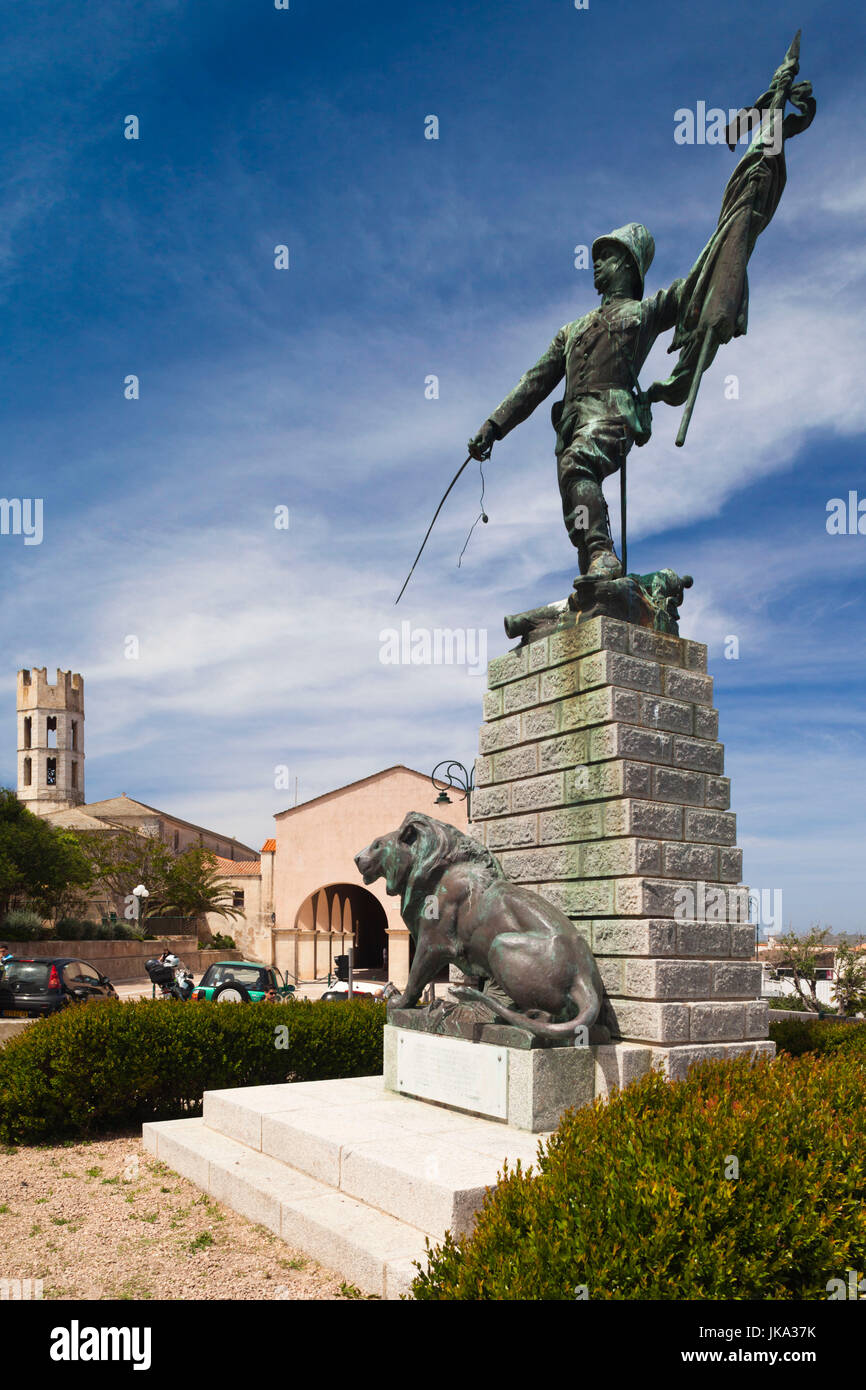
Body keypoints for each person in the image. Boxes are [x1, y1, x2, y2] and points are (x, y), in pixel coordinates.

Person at [469, 223, 683, 580]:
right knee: (575, 509)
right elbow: (534, 382)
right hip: (571, 424)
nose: (596, 263)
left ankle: (603, 554)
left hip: (613, 412)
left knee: (578, 464)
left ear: (629, 266)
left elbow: (692, 292)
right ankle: (595, 583)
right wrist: (494, 425)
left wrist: (732, 233)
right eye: (596, 256)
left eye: (607, 256)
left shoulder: (644, 312)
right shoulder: (571, 330)